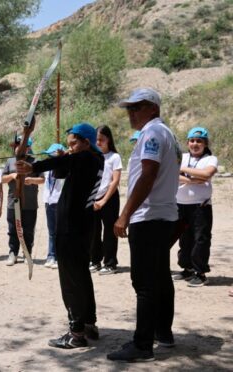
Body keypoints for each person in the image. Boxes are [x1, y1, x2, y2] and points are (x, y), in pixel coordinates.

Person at [108, 88, 181, 362]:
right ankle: (163, 332)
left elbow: (148, 175)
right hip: (163, 216)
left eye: (136, 107)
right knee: (160, 277)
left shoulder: (152, 133)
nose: (131, 112)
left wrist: (125, 214)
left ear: (152, 108)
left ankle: (142, 345)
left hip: (149, 217)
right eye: (129, 108)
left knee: (145, 282)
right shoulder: (168, 134)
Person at [16, 123, 104, 349]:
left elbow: (62, 164)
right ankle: (88, 324)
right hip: (80, 227)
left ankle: (76, 333)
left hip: (72, 229)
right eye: (69, 144)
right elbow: (61, 168)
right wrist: (55, 156)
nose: (71, 147)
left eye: (74, 143)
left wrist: (32, 167)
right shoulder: (90, 158)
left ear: (86, 142)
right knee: (81, 275)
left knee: (70, 280)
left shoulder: (88, 158)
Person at [174, 126, 217, 287]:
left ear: (205, 143)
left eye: (199, 141)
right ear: (187, 143)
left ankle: (200, 273)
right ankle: (187, 268)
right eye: (192, 140)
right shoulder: (182, 157)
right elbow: (171, 172)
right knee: (184, 239)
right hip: (181, 205)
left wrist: (183, 171)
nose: (195, 144)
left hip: (201, 207)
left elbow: (207, 174)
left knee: (201, 239)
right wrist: (193, 179)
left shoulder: (210, 159)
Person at [2, 136, 43, 266]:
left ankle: (27, 253)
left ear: (28, 147)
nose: (17, 148)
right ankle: (13, 253)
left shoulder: (35, 161)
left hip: (29, 203)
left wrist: (31, 180)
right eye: (16, 145)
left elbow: (42, 179)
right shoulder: (10, 161)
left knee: (28, 229)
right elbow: (2, 179)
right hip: (13, 201)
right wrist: (12, 176)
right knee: (13, 228)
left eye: (21, 145)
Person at [90, 125, 122, 275]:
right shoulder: (93, 156)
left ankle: (110, 263)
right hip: (94, 197)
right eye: (96, 140)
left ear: (108, 139)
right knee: (93, 231)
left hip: (109, 197)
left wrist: (103, 200)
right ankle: (95, 260)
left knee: (109, 231)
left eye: (101, 139)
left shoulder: (114, 157)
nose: (98, 143)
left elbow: (115, 181)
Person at [40, 143, 66, 269]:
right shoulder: (47, 168)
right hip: (48, 201)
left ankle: (60, 257)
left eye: (52, 156)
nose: (49, 159)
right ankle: (51, 256)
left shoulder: (64, 167)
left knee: (60, 231)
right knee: (51, 231)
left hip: (59, 201)